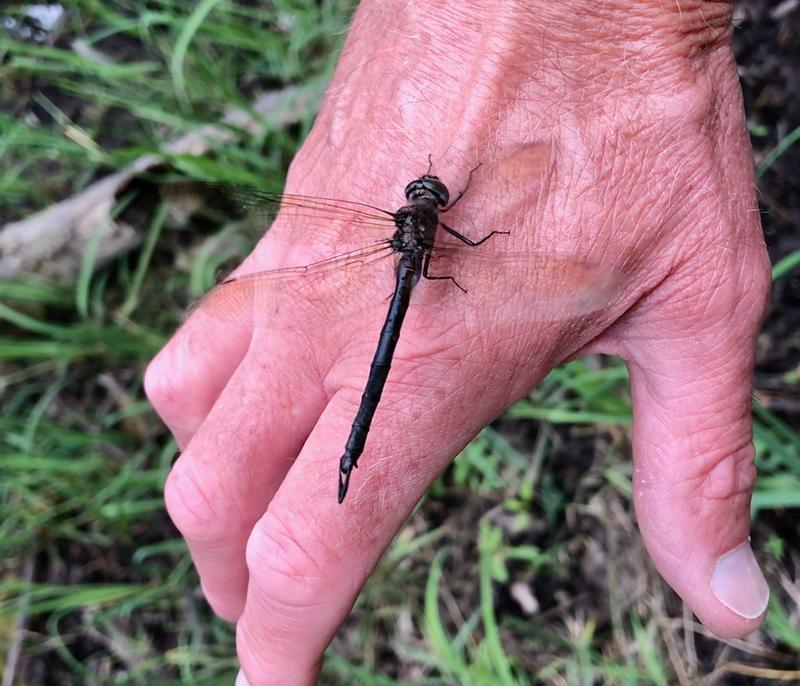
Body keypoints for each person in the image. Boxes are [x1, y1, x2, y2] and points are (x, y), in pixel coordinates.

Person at [144, 1, 772, 683]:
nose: (428, 194)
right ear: (432, 209)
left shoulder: (403, 225)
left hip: (410, 268)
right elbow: (473, 243)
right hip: (431, 267)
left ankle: (346, 458)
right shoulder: (443, 227)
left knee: (379, 355)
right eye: (427, 194)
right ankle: (353, 455)